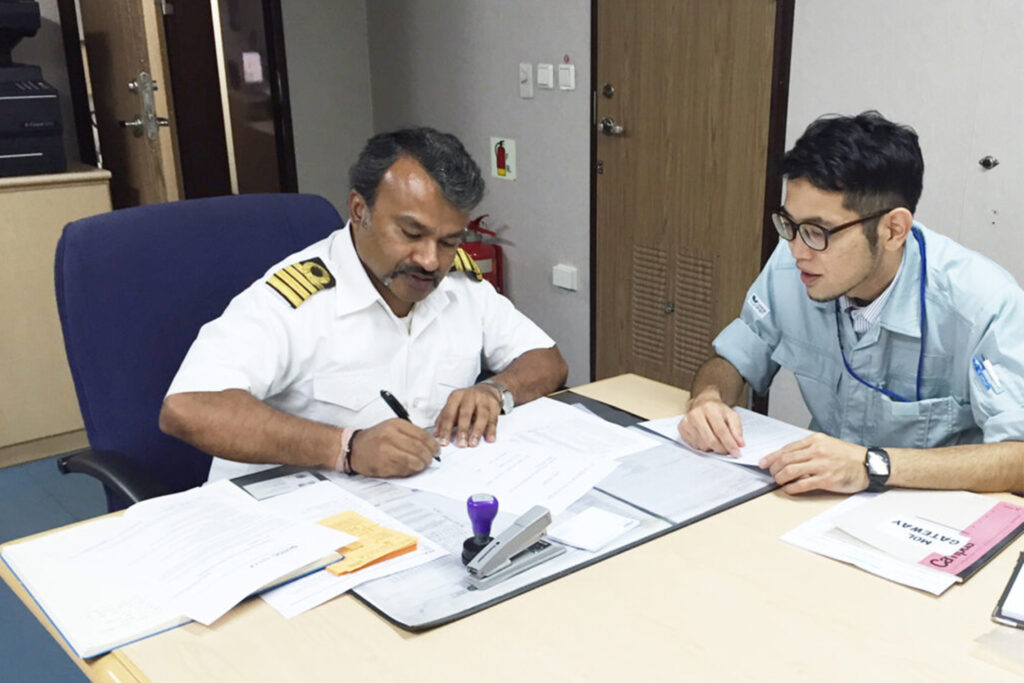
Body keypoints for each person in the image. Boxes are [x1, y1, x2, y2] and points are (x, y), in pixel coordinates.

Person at [160, 127, 568, 481]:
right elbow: (188, 407)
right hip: (287, 514)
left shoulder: (460, 286)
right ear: (360, 211)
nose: (430, 260)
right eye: (411, 234)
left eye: (449, 241)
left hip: (413, 503)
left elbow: (546, 360)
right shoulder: (297, 299)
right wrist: (344, 448)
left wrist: (497, 390)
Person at [678, 111, 1024, 494]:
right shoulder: (792, 267)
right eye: (790, 225)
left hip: (932, 511)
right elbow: (735, 358)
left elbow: (1018, 458)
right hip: (819, 500)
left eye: (818, 231)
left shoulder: (983, 305)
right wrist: (708, 399)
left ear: (893, 230)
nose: (797, 250)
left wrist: (871, 465)